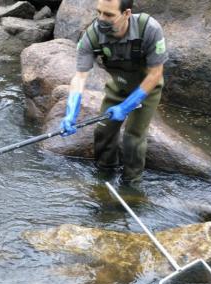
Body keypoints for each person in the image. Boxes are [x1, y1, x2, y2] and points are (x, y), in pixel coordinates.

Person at [60, 0, 168, 183]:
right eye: (99, 12)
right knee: (103, 132)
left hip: (147, 90)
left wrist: (126, 107)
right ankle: (104, 175)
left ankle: (131, 183)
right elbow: (79, 77)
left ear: (126, 13)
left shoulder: (149, 29)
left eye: (108, 15)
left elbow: (156, 74)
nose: (101, 19)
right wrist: (71, 113)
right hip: (118, 87)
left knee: (133, 139)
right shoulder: (92, 35)